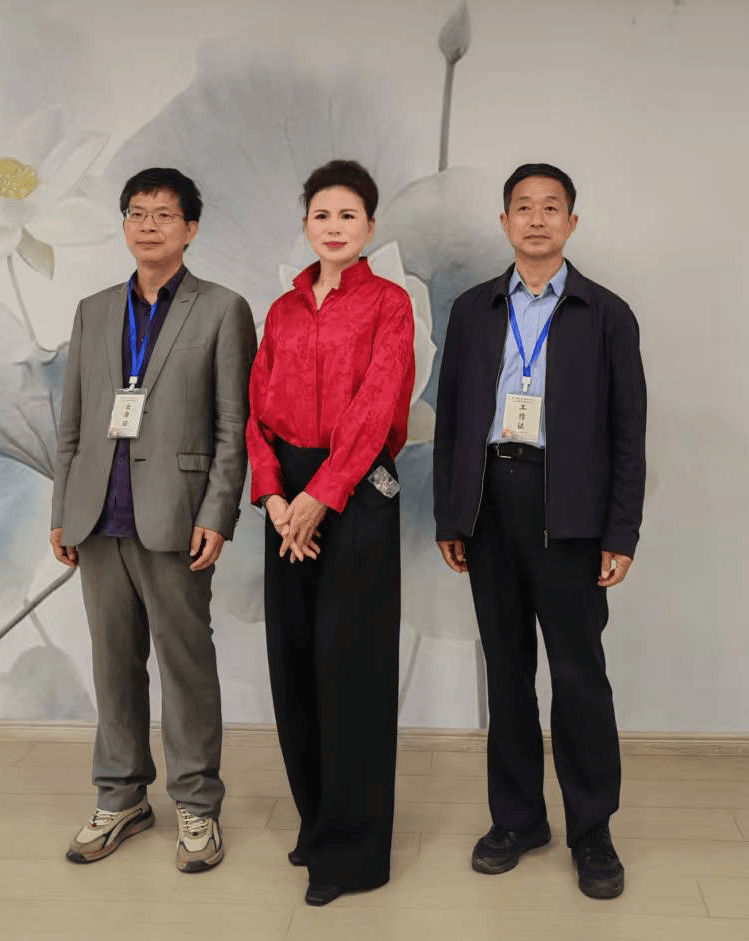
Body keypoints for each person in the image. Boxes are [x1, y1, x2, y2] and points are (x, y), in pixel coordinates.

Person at [432, 163, 646, 900]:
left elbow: (629, 434)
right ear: (504, 223)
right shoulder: (473, 309)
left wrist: (620, 531)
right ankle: (518, 820)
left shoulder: (606, 313)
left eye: (551, 207)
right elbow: (453, 419)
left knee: (579, 677)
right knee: (508, 672)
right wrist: (451, 513)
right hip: (490, 503)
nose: (536, 219)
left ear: (571, 223)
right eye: (522, 207)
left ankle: (593, 830)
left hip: (571, 513)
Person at [50, 167, 256, 873]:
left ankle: (196, 804)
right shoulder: (93, 310)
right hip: (97, 516)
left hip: (176, 516)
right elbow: (72, 422)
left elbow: (233, 426)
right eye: (136, 213)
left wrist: (218, 513)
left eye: (163, 214)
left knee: (185, 664)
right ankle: (120, 795)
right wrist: (62, 509)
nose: (147, 226)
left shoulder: (222, 309)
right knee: (113, 665)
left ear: (190, 228)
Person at [247, 159, 415, 906]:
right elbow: (256, 409)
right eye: (322, 215)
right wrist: (273, 496)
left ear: (370, 227)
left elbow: (378, 405)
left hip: (356, 490)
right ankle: (317, 823)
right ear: (306, 225)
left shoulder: (389, 304)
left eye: (349, 215)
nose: (335, 226)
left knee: (353, 670)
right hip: (286, 499)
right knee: (294, 662)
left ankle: (353, 853)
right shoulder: (282, 311)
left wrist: (322, 494)